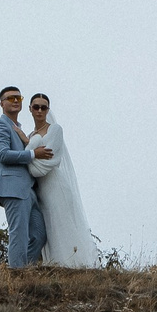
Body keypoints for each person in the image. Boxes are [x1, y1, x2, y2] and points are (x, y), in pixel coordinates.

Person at [24, 94, 100, 268]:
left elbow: (43, 166)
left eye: (44, 107)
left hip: (55, 187)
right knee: (48, 230)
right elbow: (32, 162)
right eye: (36, 107)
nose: (40, 111)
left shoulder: (55, 130)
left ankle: (74, 265)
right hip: (41, 191)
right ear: (30, 109)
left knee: (62, 226)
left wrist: (29, 157)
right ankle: (57, 266)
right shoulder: (30, 136)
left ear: (48, 110)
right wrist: (32, 151)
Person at [0, 86, 51, 270]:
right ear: (1, 103)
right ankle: (17, 275)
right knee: (19, 233)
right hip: (12, 186)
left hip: (28, 189)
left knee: (39, 235)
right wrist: (33, 154)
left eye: (18, 97)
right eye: (10, 98)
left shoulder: (19, 128)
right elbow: (3, 155)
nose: (15, 101)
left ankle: (23, 271)